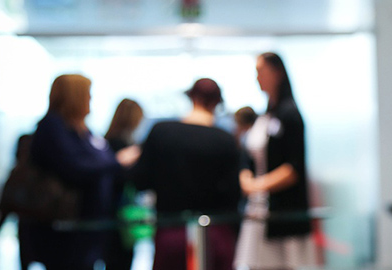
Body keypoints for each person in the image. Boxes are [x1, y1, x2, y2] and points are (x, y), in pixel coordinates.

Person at [22, 74, 139, 269]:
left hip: (87, 227)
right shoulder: (53, 127)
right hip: (65, 229)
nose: (90, 99)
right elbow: (74, 168)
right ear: (74, 96)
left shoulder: (81, 130)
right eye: (87, 94)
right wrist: (118, 161)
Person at [129, 78, 241, 270]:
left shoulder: (161, 132)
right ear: (217, 102)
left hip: (171, 233)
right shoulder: (226, 140)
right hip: (215, 234)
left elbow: (140, 180)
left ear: (192, 98)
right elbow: (234, 194)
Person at [234, 52, 313, 270]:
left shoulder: (290, 115)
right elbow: (247, 158)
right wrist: (246, 178)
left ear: (277, 73)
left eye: (260, 72)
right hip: (258, 208)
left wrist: (258, 185)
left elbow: (294, 167)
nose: (257, 78)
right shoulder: (266, 115)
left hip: (282, 212)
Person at [104, 98, 144, 270]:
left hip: (112, 210)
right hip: (117, 211)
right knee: (119, 259)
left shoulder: (105, 141)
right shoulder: (121, 145)